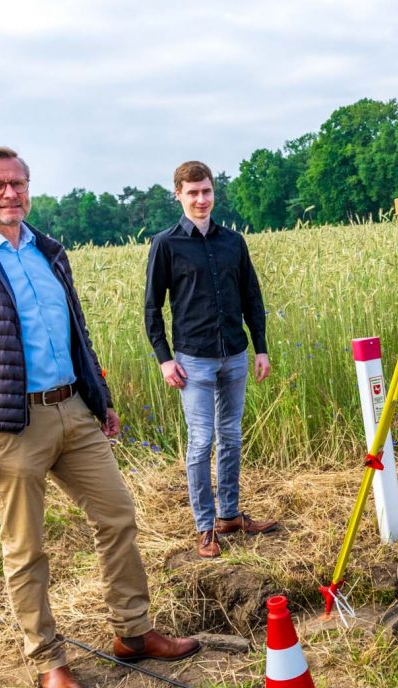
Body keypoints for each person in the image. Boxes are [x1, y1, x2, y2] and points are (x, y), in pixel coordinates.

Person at [0, 146, 199, 688]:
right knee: (27, 548)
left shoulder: (50, 250)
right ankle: (49, 662)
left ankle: (133, 632)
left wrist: (101, 400)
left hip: (73, 409)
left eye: (18, 183)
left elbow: (77, 333)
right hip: (10, 424)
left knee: (117, 513)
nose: (10, 194)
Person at [144, 161, 276, 559]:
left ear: (214, 192)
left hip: (234, 354)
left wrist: (261, 347)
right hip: (193, 360)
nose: (201, 200)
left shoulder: (233, 242)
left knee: (232, 437)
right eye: (193, 193)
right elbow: (152, 308)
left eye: (207, 191)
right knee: (202, 442)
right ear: (179, 195)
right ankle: (205, 527)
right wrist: (165, 359)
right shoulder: (165, 244)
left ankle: (230, 515)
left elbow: (252, 297)